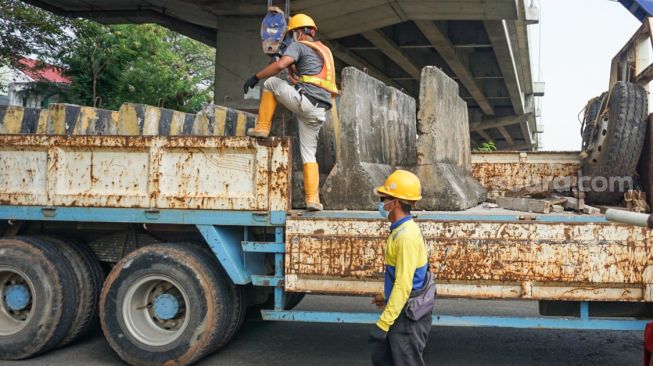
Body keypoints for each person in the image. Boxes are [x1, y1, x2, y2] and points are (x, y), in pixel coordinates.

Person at [243, 13, 337, 211]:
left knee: (270, 83)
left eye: (292, 33)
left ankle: (262, 128)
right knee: (309, 153)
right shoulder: (324, 50)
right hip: (320, 110)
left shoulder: (298, 45)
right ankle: (313, 200)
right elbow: (307, 74)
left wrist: (255, 77)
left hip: (306, 102)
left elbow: (279, 66)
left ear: (297, 33)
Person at [368, 170, 433, 366]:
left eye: (383, 198)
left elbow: (404, 284)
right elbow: (402, 277)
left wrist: (384, 322)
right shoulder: (401, 230)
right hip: (402, 310)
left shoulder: (405, 237)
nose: (380, 204)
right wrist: (386, 297)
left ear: (395, 202)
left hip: (407, 317)